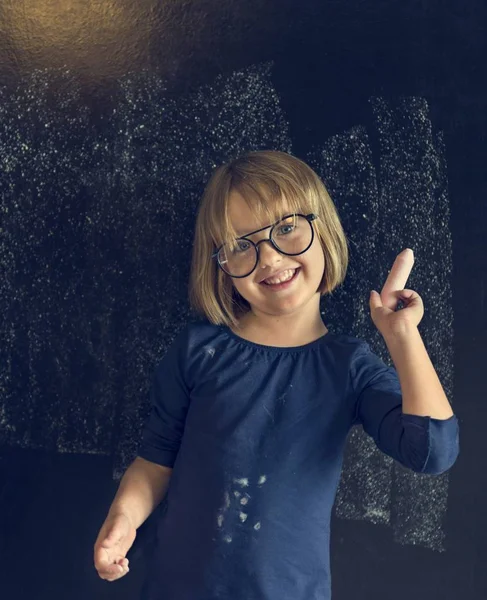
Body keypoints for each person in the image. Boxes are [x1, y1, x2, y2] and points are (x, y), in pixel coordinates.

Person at [93, 150, 460, 599]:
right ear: (222, 266)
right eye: (240, 245)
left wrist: (402, 335)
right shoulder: (197, 352)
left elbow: (431, 452)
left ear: (322, 229)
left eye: (286, 229)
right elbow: (155, 460)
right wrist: (123, 520)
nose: (268, 258)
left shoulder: (349, 367)